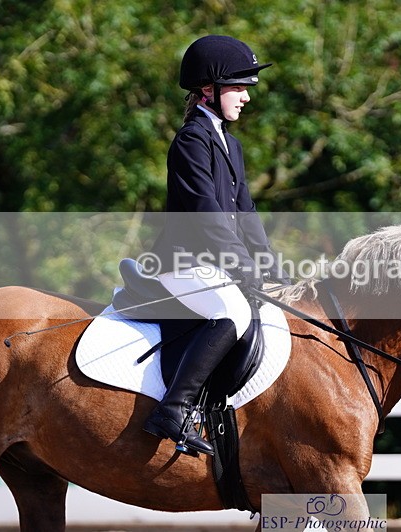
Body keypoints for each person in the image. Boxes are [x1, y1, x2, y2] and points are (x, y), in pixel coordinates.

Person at [142, 35, 289, 456]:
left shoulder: (231, 144)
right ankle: (173, 409)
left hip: (213, 265)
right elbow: (206, 214)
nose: (246, 97)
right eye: (239, 87)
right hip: (182, 264)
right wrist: (243, 266)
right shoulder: (191, 140)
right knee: (232, 312)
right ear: (209, 88)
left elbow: (246, 213)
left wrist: (271, 267)